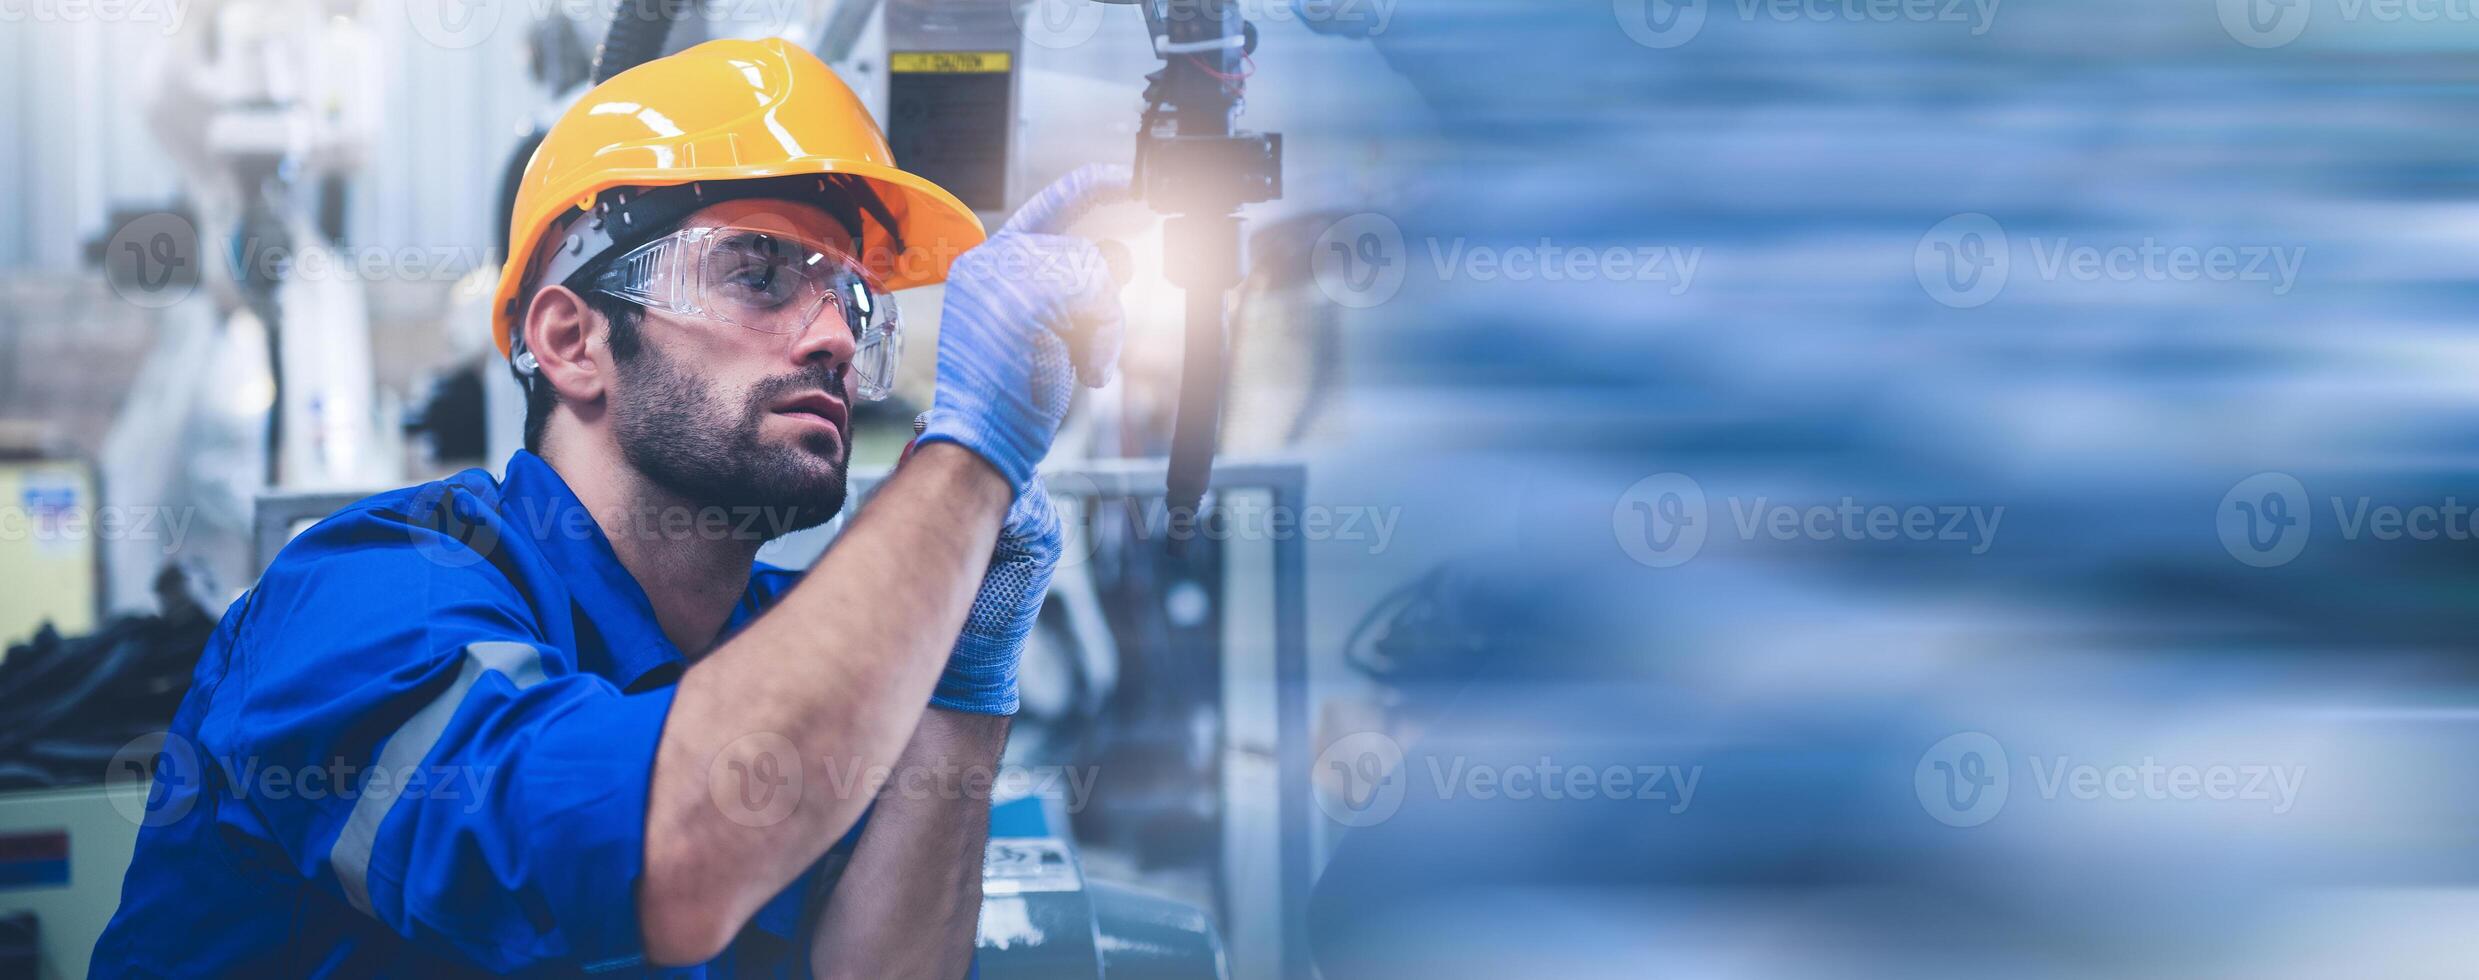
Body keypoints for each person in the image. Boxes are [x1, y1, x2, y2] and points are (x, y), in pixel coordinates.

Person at [91, 38, 1126, 978]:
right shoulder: (362, 602)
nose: (836, 340)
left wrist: (965, 672)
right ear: (572, 341)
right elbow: (674, 858)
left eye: (853, 298)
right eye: (761, 272)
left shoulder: (782, 645)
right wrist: (968, 456)